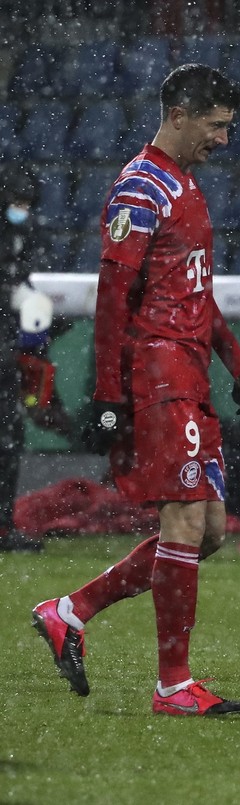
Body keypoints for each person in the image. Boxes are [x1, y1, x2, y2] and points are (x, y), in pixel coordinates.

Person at [31, 64, 240, 715]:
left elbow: (193, 288)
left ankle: (69, 610)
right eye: (215, 125)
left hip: (191, 376)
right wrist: (108, 394)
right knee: (184, 520)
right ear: (180, 114)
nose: (223, 140)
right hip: (156, 378)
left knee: (210, 529)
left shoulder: (185, 184)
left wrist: (236, 362)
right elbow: (112, 297)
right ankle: (173, 684)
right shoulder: (141, 185)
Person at [1, 168, 45, 553]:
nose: (21, 211)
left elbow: (21, 280)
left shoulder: (25, 233)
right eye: (16, 203)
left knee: (10, 436)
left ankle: (3, 524)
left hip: (5, 346)